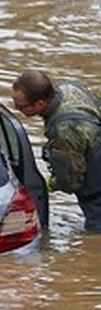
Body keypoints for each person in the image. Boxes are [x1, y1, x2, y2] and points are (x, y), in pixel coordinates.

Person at [12, 68, 101, 231]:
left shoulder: (63, 131)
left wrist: (46, 184)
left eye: (21, 106)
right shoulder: (68, 88)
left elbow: (70, 183)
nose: (16, 109)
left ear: (39, 103)